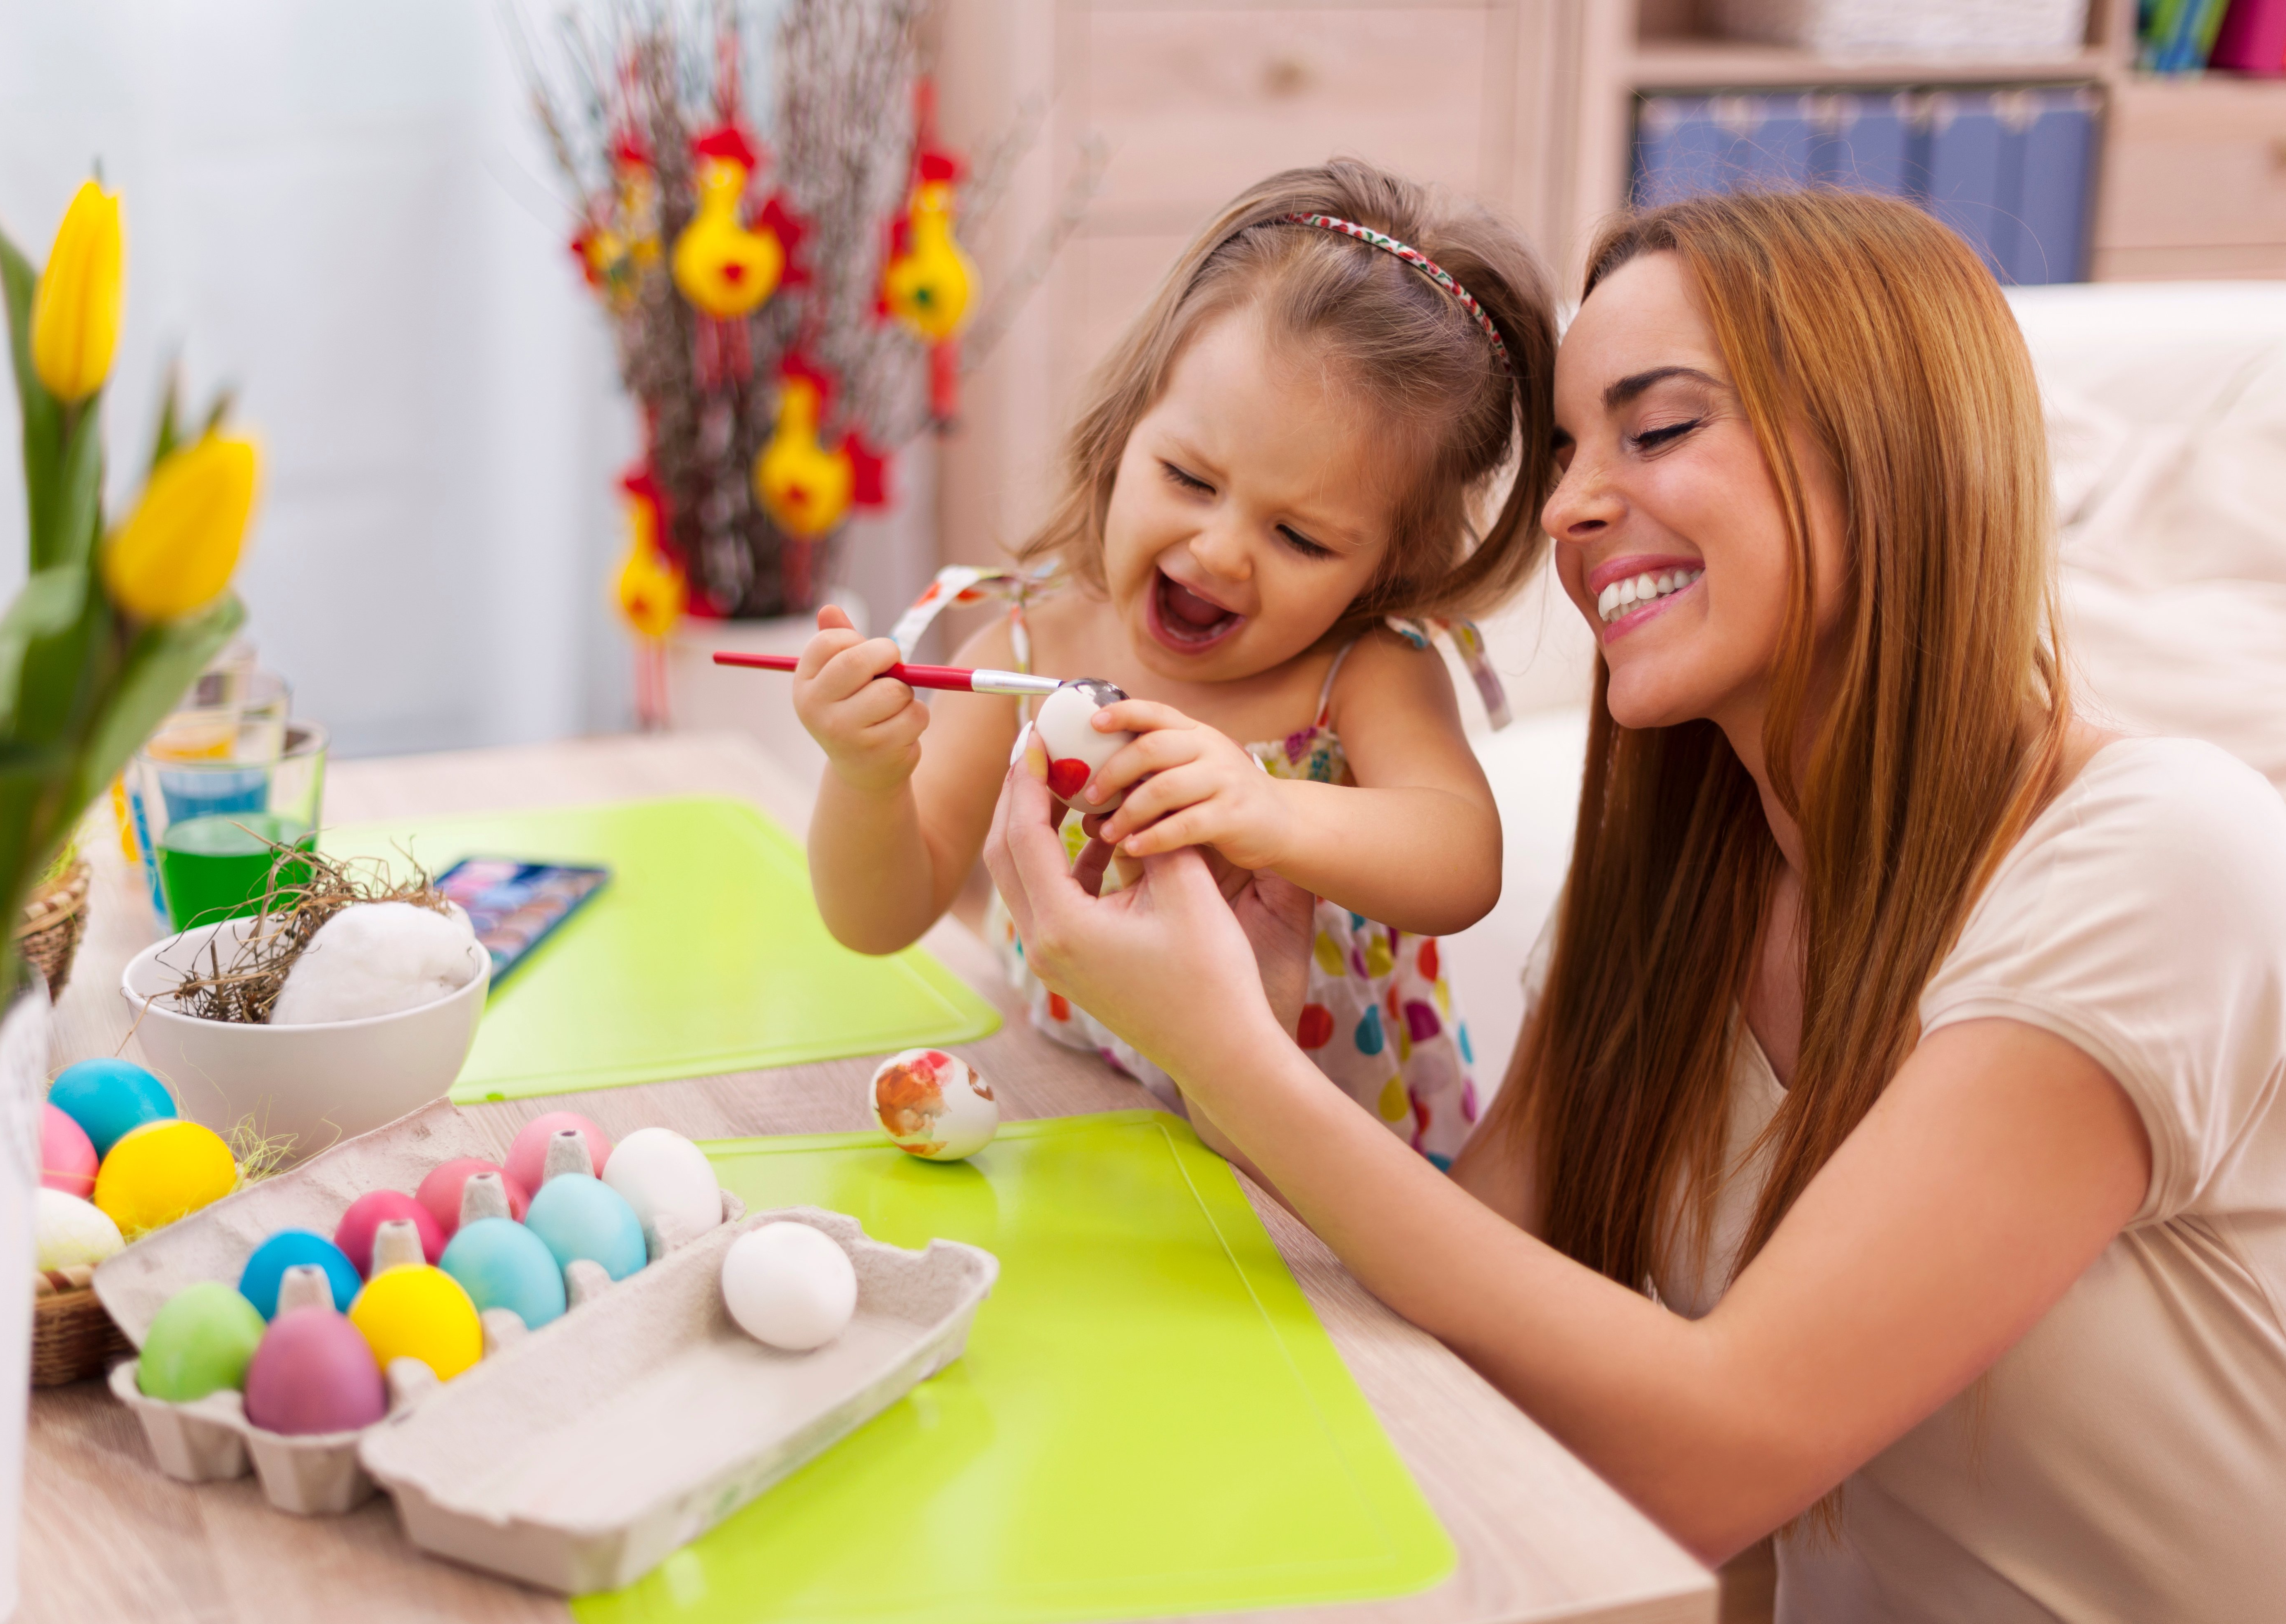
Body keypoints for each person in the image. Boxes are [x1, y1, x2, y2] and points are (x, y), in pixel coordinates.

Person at [986, 187, 2286, 1621]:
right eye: (1562, 455)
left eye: (1655, 430)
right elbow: (1462, 1312)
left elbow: (1717, 1461)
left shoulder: (2161, 861)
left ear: (1892, 455)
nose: (1569, 510)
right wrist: (1257, 1025)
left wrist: (1230, 1061)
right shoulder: (1677, 899)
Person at [793, 160, 1558, 1166]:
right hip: (1085, 1134)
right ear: (1126, 430)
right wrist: (864, 777)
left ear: (1390, 563)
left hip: (1326, 1184)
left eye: (1302, 538)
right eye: (1189, 477)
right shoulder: (1034, 646)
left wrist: (1268, 809)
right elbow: (876, 919)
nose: (1221, 550)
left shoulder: (1360, 672)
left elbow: (1461, 861)